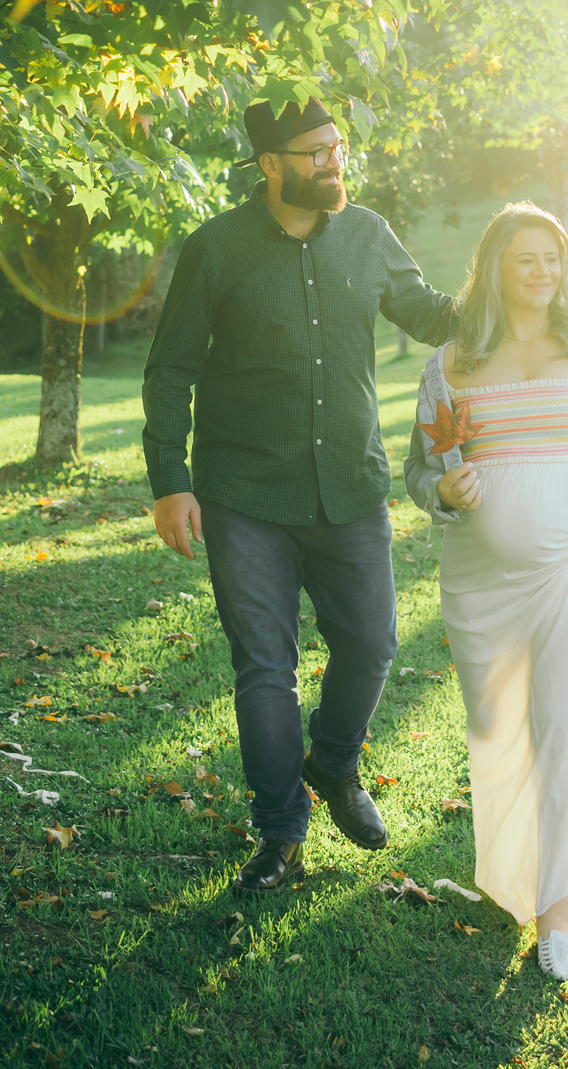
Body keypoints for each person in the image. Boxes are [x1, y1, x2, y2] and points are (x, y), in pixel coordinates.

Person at [142, 95, 453, 892]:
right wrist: (170, 484)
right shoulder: (216, 248)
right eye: (316, 151)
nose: (334, 162)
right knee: (264, 670)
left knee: (373, 644)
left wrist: (516, 287)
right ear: (271, 164)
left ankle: (335, 761)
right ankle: (281, 833)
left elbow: (430, 316)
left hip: (350, 485)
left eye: (338, 147)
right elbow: (171, 368)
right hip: (244, 493)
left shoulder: (369, 234)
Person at [404, 201, 568, 980]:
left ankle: (558, 916)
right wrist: (444, 492)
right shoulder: (453, 360)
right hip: (484, 583)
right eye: (528, 258)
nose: (544, 271)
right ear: (491, 269)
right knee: (501, 734)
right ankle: (514, 882)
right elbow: (419, 470)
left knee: (563, 730)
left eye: (554, 257)